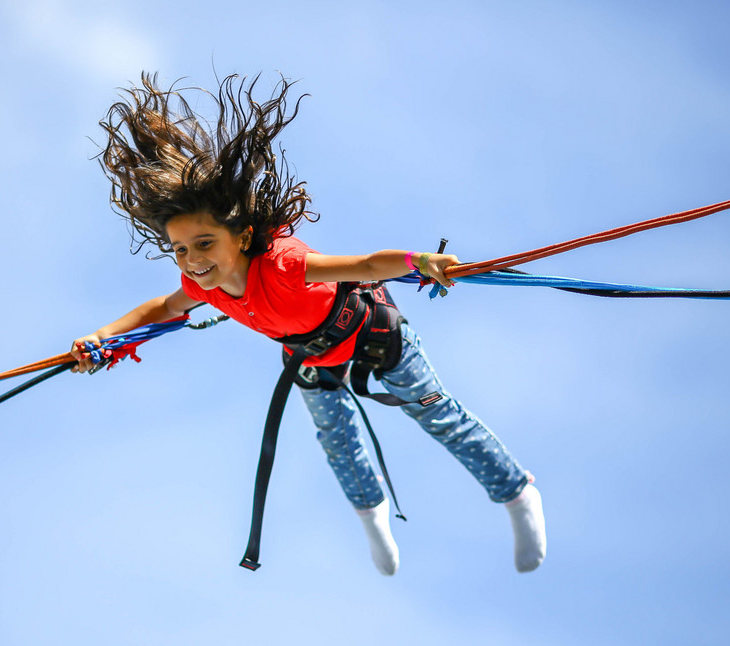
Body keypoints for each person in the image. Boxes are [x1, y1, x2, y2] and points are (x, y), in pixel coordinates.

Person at [70, 73, 546, 575]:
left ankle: (517, 494)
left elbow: (364, 266)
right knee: (338, 444)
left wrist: (420, 261)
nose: (191, 260)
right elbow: (161, 309)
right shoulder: (203, 288)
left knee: (439, 418)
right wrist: (103, 339)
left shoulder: (284, 263)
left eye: (205, 244)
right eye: (181, 250)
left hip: (376, 337)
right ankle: (375, 520)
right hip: (313, 357)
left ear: (242, 235)